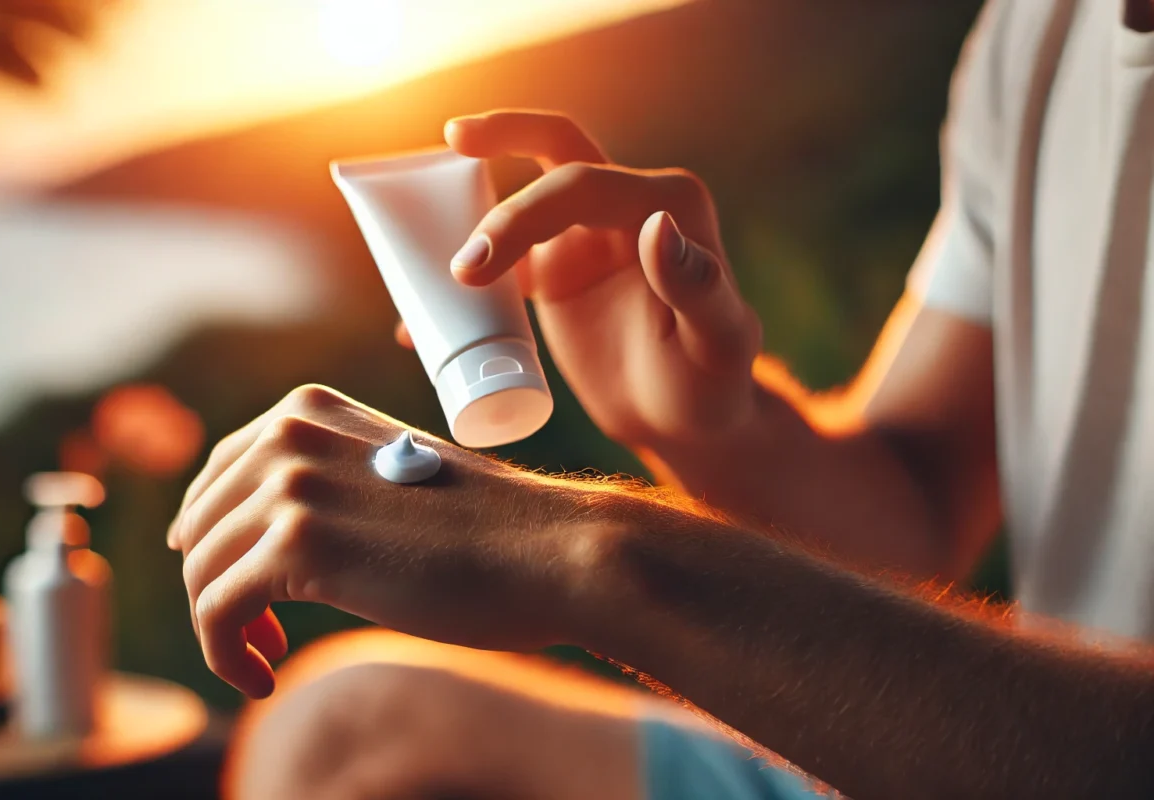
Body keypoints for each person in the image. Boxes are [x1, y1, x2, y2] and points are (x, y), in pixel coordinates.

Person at [168, 0, 1154, 796]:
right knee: (340, 725)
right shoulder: (1038, 32)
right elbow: (915, 518)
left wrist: (594, 552)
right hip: (973, 735)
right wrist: (704, 423)